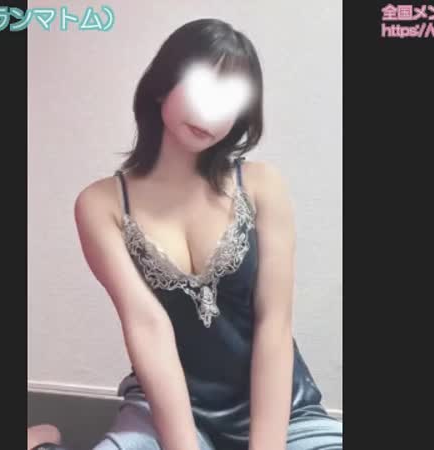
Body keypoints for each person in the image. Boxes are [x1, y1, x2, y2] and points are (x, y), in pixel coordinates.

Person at [36, 18, 342, 450]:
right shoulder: (101, 204)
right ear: (163, 85)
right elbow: (147, 327)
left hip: (279, 410)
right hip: (165, 408)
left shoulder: (262, 185)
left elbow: (274, 323)